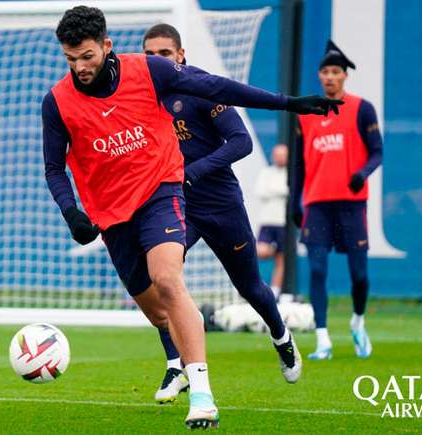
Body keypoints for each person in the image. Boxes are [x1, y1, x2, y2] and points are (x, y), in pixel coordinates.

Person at [43, 7, 338, 429]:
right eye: (71, 59)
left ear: (106, 46)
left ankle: (204, 392)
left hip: (170, 191)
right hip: (114, 212)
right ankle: (178, 356)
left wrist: (289, 104)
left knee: (176, 279)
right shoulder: (57, 102)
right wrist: (71, 212)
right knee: (159, 309)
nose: (80, 67)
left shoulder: (151, 72)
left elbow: (220, 87)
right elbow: (54, 168)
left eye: (86, 56)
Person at [141, 24, 300, 405]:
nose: (155, 61)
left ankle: (281, 336)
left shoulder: (202, 87)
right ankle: (175, 362)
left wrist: (193, 172)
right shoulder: (143, 97)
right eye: (149, 54)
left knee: (250, 287)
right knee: (162, 281)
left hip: (221, 204)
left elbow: (241, 141)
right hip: (176, 206)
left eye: (164, 53)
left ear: (180, 55)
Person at [290, 41, 383, 360]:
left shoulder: (362, 108)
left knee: (359, 275)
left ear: (345, 76)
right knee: (316, 269)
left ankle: (357, 322)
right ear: (319, 76)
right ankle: (322, 339)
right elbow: (298, 164)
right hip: (317, 204)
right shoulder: (306, 113)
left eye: (336, 72)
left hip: (352, 204)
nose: (330, 77)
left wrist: (362, 173)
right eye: (325, 72)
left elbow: (378, 151)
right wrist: (294, 201)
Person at [255, 144, 289, 298]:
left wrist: (277, 191)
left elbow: (291, 192)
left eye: (284, 155)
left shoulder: (291, 173)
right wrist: (281, 191)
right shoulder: (266, 173)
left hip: (284, 223)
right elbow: (261, 191)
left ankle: (275, 292)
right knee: (260, 251)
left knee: (282, 259)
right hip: (268, 221)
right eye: (278, 154)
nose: (281, 157)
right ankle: (252, 285)